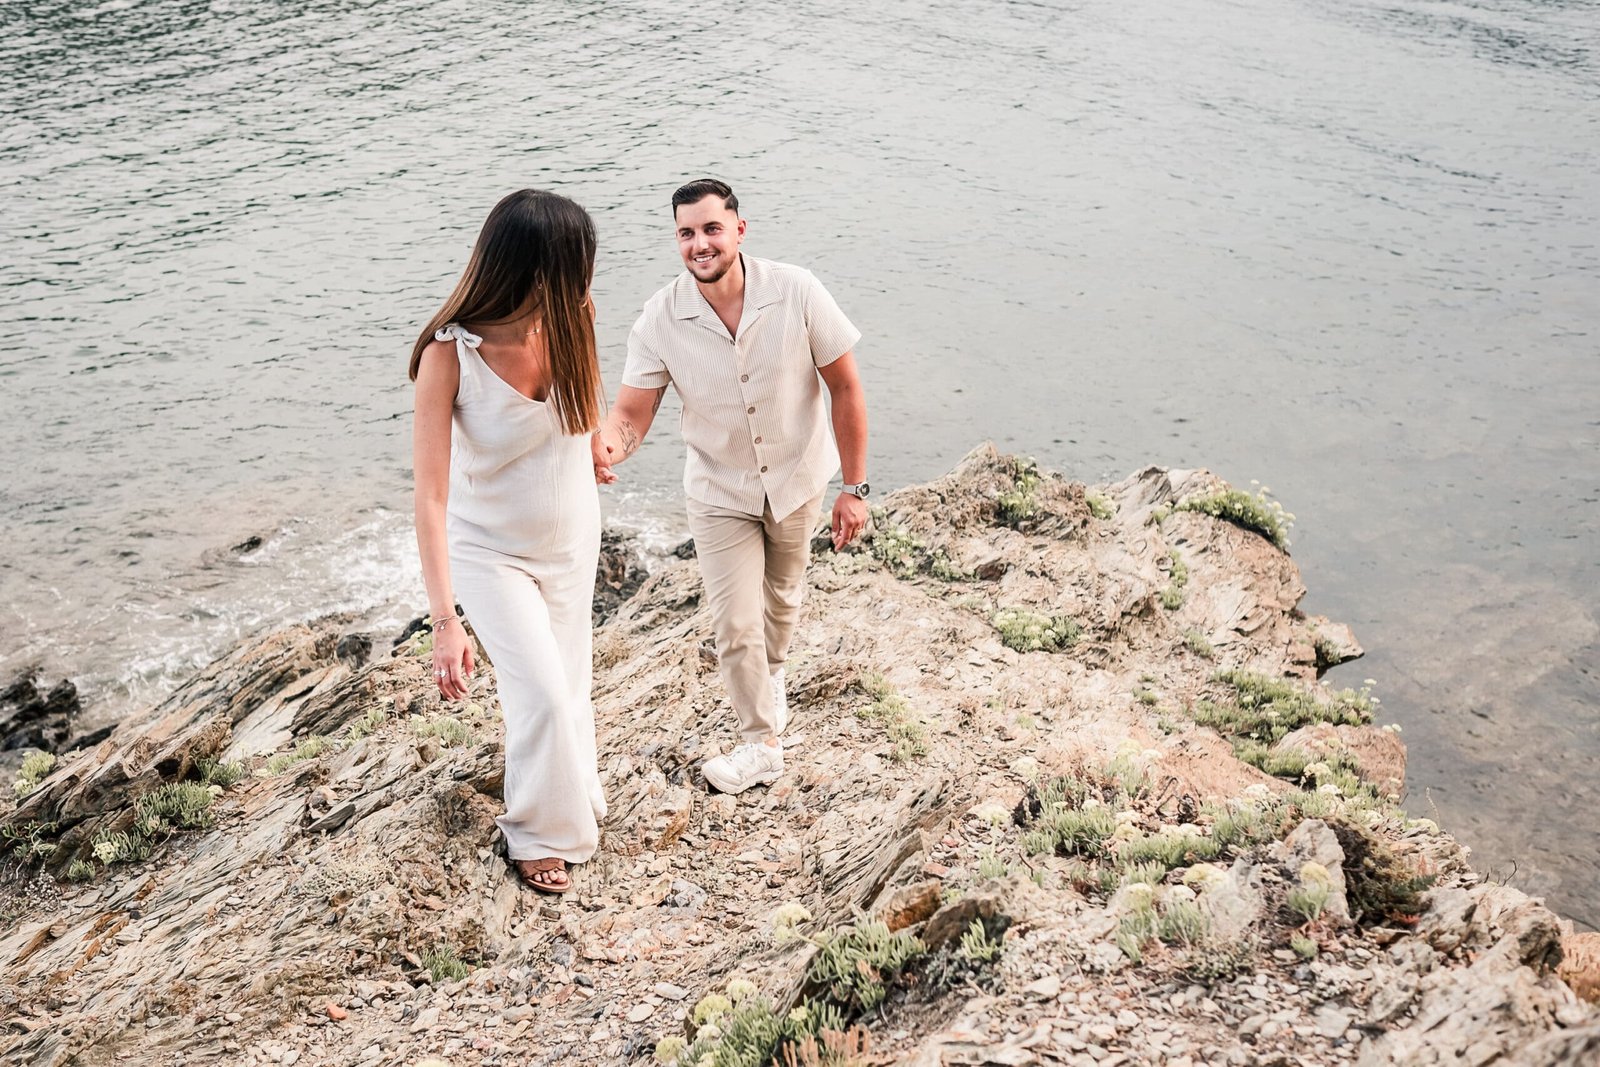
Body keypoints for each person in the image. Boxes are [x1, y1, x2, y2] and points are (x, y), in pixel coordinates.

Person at [593, 178, 871, 795]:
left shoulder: (796, 291)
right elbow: (631, 416)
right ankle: (761, 744)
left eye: (711, 229)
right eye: (687, 233)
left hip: (798, 477)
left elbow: (845, 388)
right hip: (718, 490)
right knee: (734, 622)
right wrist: (605, 447)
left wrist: (855, 487)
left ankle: (772, 678)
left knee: (783, 599)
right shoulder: (660, 318)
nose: (700, 244)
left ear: (739, 230)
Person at [410, 189, 608, 894]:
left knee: (572, 690)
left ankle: (573, 802)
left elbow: (583, 417)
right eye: (579, 262)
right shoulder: (449, 356)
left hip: (573, 536)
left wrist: (598, 450)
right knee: (543, 696)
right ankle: (531, 831)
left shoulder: (575, 318)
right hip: (489, 552)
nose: (589, 278)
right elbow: (430, 496)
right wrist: (444, 620)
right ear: (536, 268)